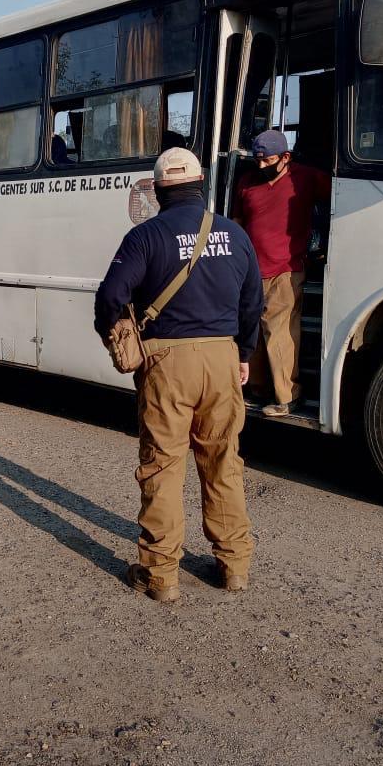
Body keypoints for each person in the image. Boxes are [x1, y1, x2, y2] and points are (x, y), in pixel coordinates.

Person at [95, 148, 263, 603]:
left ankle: (160, 576)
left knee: (163, 466)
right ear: (201, 183)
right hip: (224, 357)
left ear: (157, 189)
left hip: (167, 361)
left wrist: (118, 334)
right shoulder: (234, 234)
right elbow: (253, 302)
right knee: (223, 462)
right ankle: (234, 566)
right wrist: (243, 352)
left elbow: (111, 295)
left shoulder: (145, 236)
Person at [232, 129, 331, 417]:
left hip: (286, 270)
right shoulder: (246, 181)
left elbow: (340, 197)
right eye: (257, 160)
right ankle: (259, 390)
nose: (261, 166)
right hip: (251, 271)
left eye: (267, 160)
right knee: (253, 332)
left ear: (285, 157)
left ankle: (287, 396)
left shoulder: (307, 178)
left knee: (280, 334)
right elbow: (237, 223)